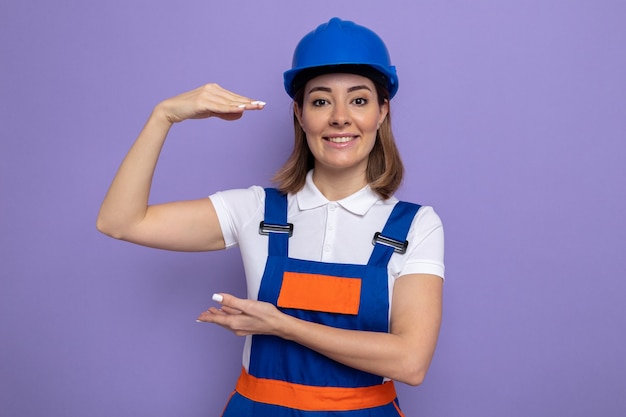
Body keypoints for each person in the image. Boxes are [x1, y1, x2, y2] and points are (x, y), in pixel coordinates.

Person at [97, 17, 444, 417]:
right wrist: (164, 116)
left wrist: (282, 325)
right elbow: (119, 222)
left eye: (359, 100)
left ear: (382, 112)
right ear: (300, 114)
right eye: (320, 100)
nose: (340, 117)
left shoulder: (415, 225)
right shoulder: (254, 210)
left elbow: (410, 362)